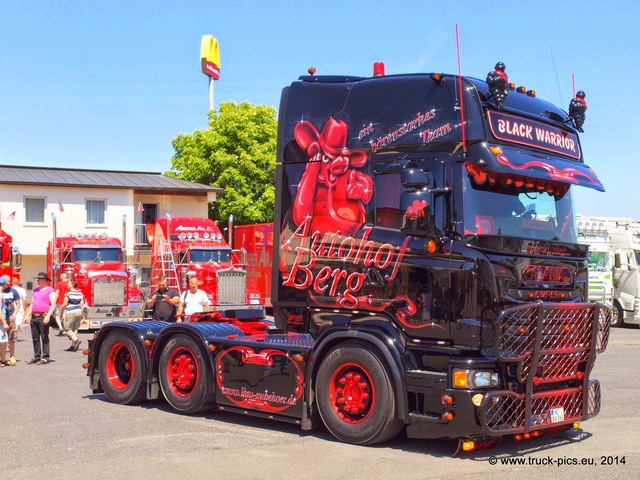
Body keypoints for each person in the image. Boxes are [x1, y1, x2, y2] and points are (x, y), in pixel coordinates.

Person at [26, 272, 57, 365]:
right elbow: (32, 303)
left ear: (45, 280)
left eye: (39, 279)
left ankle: (45, 356)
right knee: (35, 338)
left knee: (44, 337)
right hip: (34, 316)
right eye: (37, 279)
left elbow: (53, 304)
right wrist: (27, 314)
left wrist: (48, 316)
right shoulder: (35, 291)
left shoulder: (50, 290)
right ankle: (36, 356)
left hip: (43, 315)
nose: (37, 281)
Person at [1, 275, 21, 366]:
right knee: (2, 338)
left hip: (10, 316)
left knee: (11, 337)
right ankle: (2, 357)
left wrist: (14, 314)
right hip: (2, 317)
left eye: (9, 281)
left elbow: (18, 303)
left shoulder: (13, 291)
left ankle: (12, 356)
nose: (8, 283)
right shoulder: (1, 291)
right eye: (6, 281)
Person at [60, 279, 85, 352]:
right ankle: (73, 346)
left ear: (72, 284)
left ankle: (76, 340)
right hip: (78, 312)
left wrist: (61, 312)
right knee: (74, 328)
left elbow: (64, 304)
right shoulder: (80, 294)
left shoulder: (68, 293)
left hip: (71, 312)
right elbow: (82, 304)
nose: (67, 284)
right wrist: (82, 314)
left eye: (69, 283)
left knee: (67, 328)